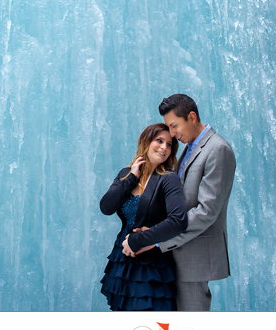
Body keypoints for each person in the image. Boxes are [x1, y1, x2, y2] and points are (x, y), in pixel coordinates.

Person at [124, 94, 236, 311]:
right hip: (176, 251)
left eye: (174, 126)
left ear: (191, 117)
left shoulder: (218, 149)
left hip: (195, 256)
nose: (172, 134)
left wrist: (157, 239)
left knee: (191, 327)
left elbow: (206, 211)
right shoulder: (190, 147)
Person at [99, 123, 188, 311]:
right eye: (159, 141)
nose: (164, 147)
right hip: (122, 261)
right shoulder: (126, 173)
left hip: (151, 265)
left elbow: (177, 221)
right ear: (146, 142)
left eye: (170, 144)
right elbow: (106, 207)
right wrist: (131, 178)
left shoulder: (168, 178)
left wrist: (139, 240)